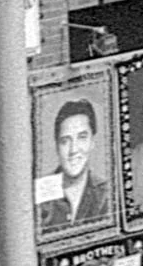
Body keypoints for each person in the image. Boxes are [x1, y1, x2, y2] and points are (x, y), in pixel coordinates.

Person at [40, 97, 110, 229]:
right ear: (57, 146)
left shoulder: (106, 194)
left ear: (92, 142)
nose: (73, 150)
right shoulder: (40, 191)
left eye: (82, 138)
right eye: (65, 141)